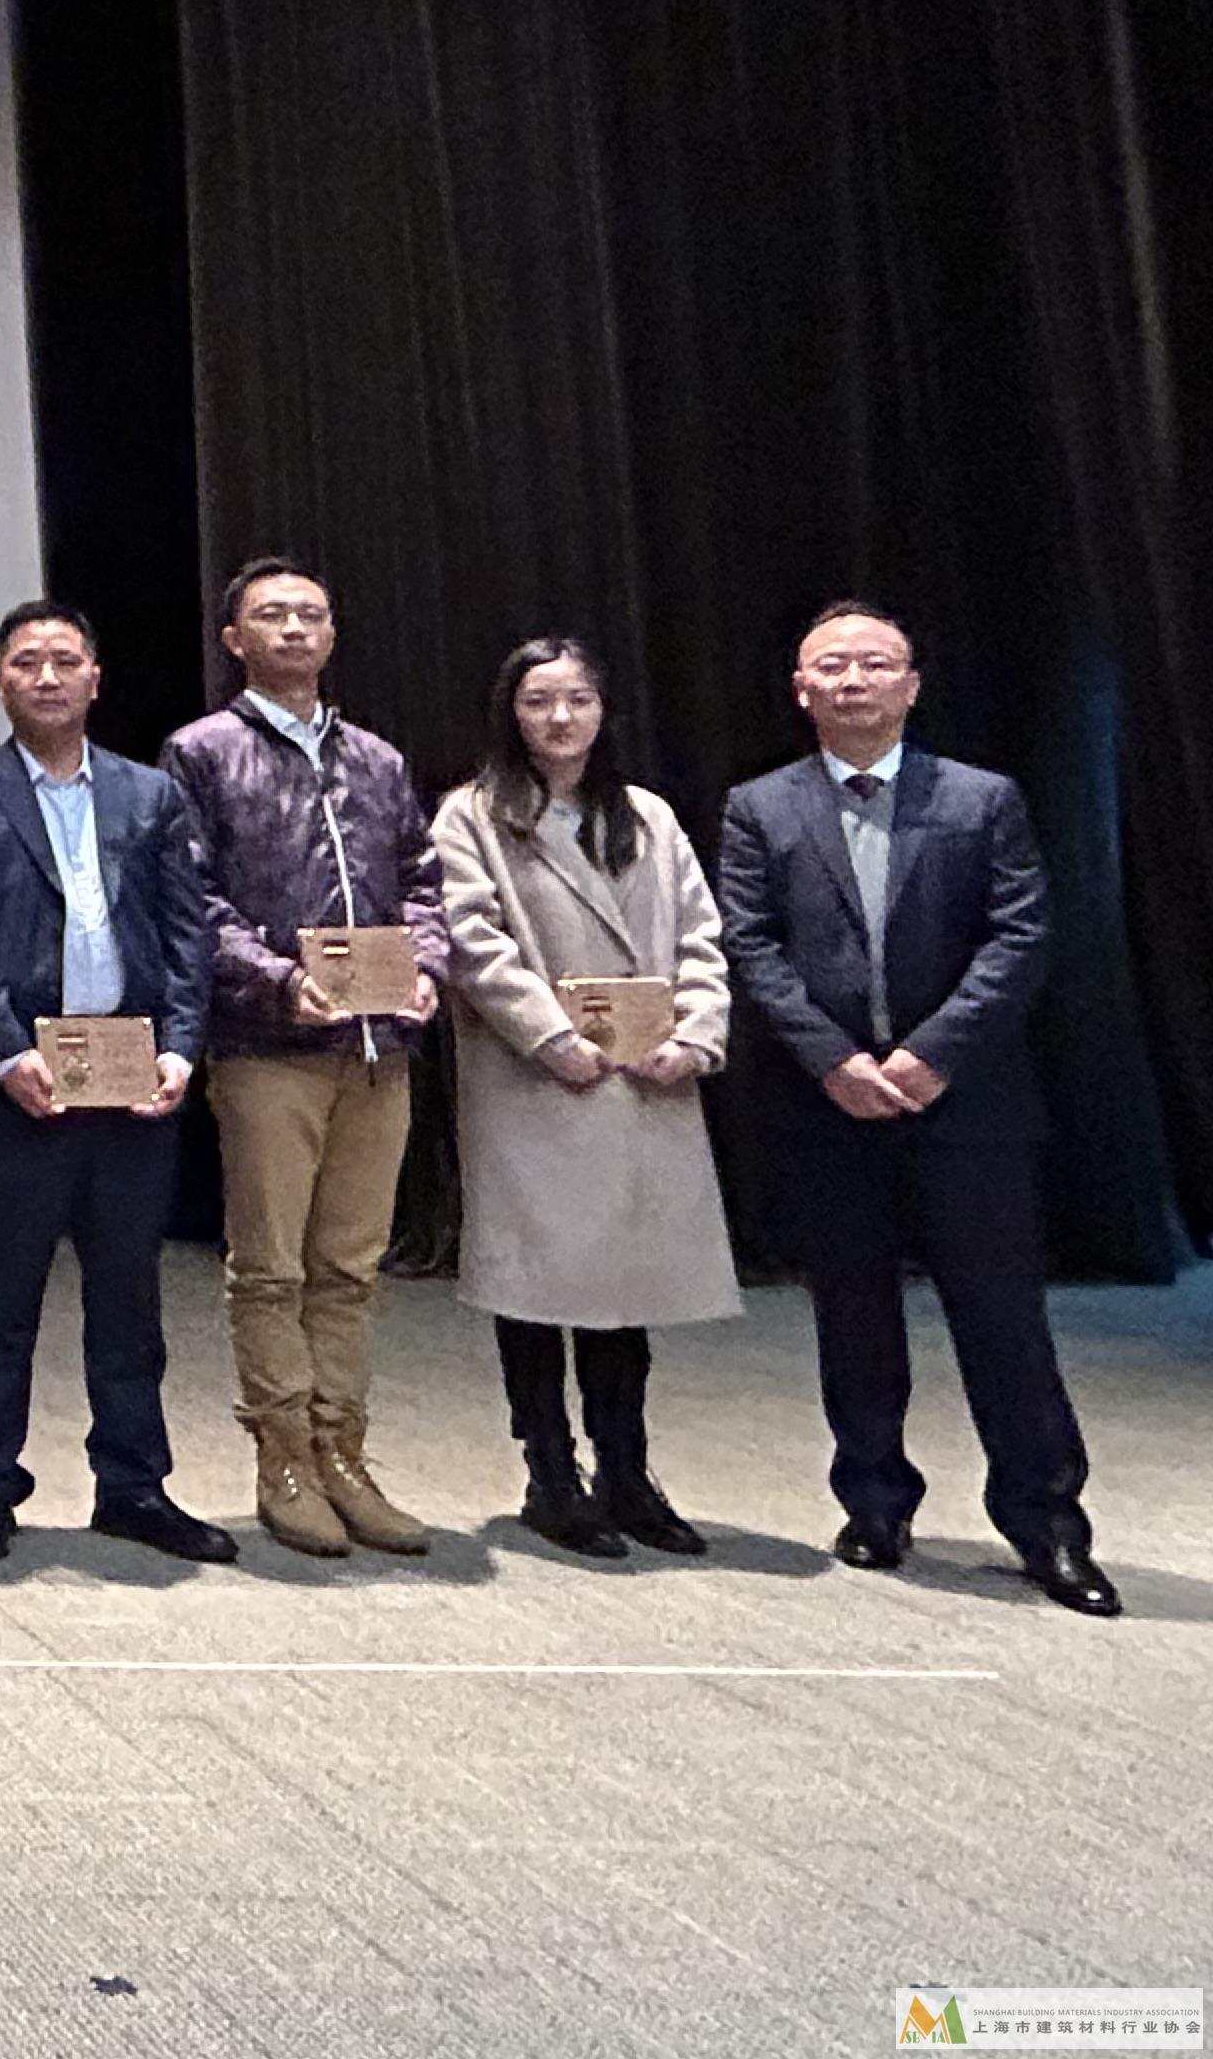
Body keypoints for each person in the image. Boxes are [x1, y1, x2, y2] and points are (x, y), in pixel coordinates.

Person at [715, 602, 1111, 1615]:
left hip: (968, 1108)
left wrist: (934, 1056)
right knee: (853, 1317)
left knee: (1003, 1321)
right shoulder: (759, 807)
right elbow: (750, 944)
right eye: (831, 667)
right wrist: (833, 1060)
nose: (852, 681)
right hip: (828, 1108)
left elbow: (1020, 937)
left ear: (912, 684)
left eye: (874, 664)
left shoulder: (982, 799)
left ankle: (1047, 1524)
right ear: (800, 689)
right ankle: (875, 1504)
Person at [0, 601, 234, 1566]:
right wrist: (7, 1052)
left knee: (129, 1301)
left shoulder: (149, 794)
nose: (46, 678)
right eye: (26, 663)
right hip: (13, 1088)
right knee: (1, 1301)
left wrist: (182, 1048)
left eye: (64, 660)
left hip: (132, 1084)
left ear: (96, 676)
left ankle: (133, 1484)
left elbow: (187, 929)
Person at [162, 558, 449, 1560]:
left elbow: (424, 884)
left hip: (378, 1047)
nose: (293, 628)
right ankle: (282, 1456)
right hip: (269, 1045)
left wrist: (426, 970)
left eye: (310, 615)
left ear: (332, 635)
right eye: (271, 615)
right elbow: (192, 899)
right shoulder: (201, 752)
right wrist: (278, 980)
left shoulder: (376, 759)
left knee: (352, 1267)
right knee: (271, 1267)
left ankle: (343, 1453)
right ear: (233, 639)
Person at [428, 637, 737, 1560]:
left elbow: (702, 936)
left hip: (643, 1077)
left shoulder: (647, 816)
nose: (559, 718)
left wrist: (695, 1034)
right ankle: (551, 1476)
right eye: (538, 701)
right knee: (535, 1282)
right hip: (535, 1080)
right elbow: (473, 940)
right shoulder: (473, 815)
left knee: (622, 1288)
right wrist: (551, 1037)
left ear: (604, 711)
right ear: (509, 713)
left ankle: (627, 1474)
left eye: (578, 700)